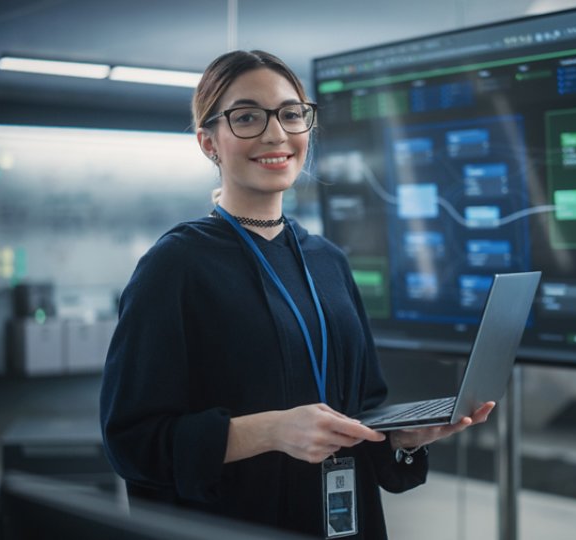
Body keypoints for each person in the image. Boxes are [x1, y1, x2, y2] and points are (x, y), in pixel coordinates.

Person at [99, 49, 494, 539]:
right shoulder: (174, 266)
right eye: (246, 117)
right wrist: (268, 431)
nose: (275, 134)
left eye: (290, 114)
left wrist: (401, 438)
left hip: (343, 522)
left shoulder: (328, 261)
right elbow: (132, 443)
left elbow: (364, 407)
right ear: (209, 143)